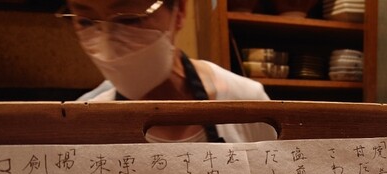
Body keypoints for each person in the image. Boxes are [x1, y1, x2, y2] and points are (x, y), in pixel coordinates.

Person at [61, 0, 276, 143]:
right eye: (85, 21)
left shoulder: (247, 102)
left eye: (129, 18)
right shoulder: (81, 122)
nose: (108, 46)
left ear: (179, 11)